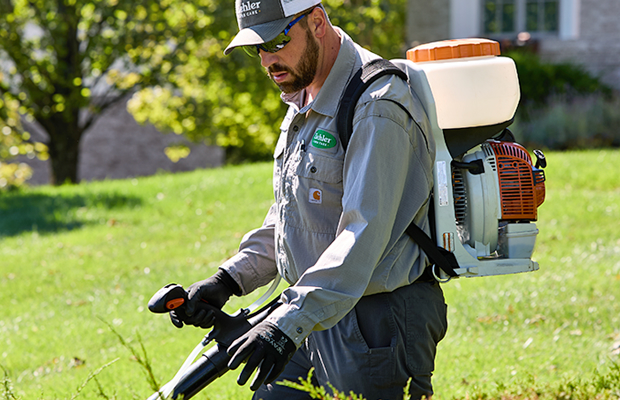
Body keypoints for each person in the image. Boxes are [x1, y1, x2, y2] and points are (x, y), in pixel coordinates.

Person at [168, 0, 447, 398]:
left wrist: (285, 326)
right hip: (309, 313)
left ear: (317, 22)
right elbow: (294, 216)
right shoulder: (306, 95)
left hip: (374, 321)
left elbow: (360, 239)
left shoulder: (377, 106)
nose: (267, 60)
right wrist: (228, 279)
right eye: (256, 48)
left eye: (277, 40)